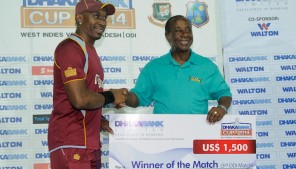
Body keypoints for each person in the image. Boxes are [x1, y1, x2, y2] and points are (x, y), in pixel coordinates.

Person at [47, 0, 128, 168]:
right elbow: (80, 99)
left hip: (89, 143)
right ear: (79, 18)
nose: (102, 22)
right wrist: (112, 96)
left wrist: (98, 118)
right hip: (71, 141)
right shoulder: (71, 48)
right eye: (96, 16)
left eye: (104, 18)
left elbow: (89, 94)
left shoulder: (90, 50)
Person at [125, 15, 232, 124]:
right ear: (168, 36)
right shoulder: (154, 67)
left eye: (188, 30)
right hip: (164, 135)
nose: (185, 34)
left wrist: (222, 108)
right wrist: (121, 97)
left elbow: (224, 94)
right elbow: (137, 98)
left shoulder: (207, 66)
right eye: (178, 31)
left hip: (198, 132)